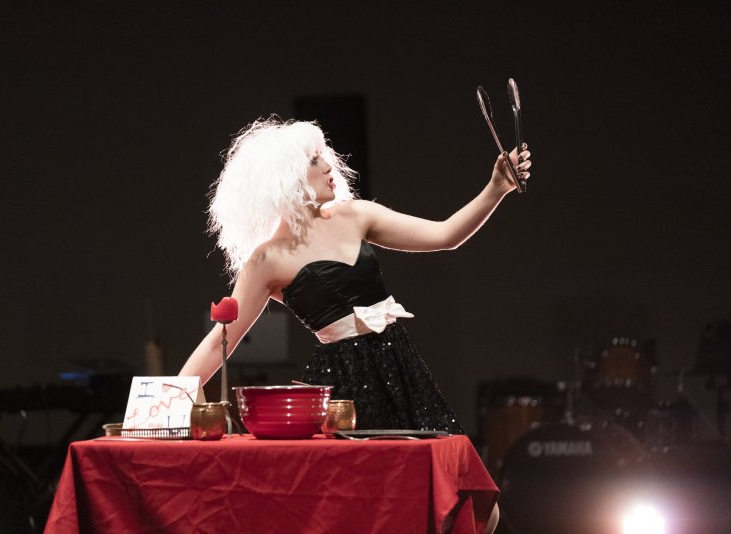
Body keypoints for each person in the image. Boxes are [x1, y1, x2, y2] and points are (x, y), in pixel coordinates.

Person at [180, 116, 529, 532]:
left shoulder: (356, 214)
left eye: (324, 156)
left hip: (401, 369)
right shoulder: (267, 259)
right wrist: (171, 395)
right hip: (342, 390)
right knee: (367, 508)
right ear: (284, 178)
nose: (329, 165)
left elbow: (445, 235)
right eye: (315, 160)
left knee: (466, 499)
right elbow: (221, 339)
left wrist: (496, 188)